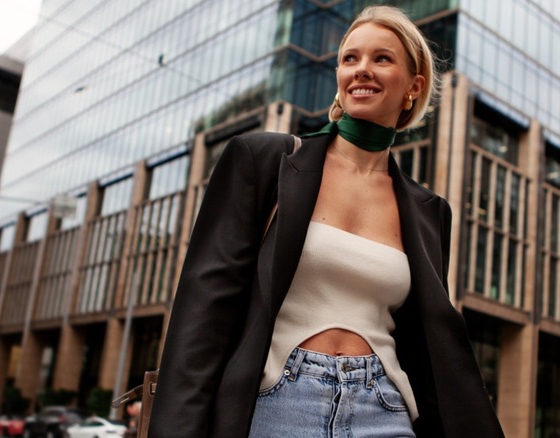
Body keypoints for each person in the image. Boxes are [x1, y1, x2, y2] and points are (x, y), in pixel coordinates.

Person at [149, 5, 504, 437]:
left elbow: (428, 344)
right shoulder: (264, 162)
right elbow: (203, 313)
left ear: (414, 86)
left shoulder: (430, 211)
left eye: (382, 58)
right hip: (277, 404)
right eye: (350, 58)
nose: (362, 70)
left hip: (385, 407)